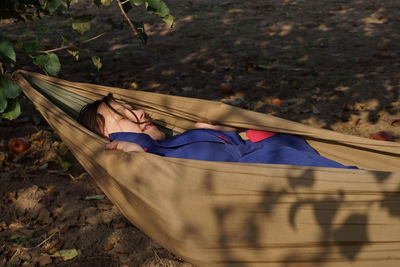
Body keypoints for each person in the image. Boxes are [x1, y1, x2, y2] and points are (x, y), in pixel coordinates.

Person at [78, 93, 357, 169]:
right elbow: (146, 171)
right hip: (262, 176)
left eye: (134, 108)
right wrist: (134, 152)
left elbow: (232, 133)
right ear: (108, 138)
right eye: (125, 116)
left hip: (274, 156)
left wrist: (209, 129)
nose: (140, 113)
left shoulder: (184, 138)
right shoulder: (141, 152)